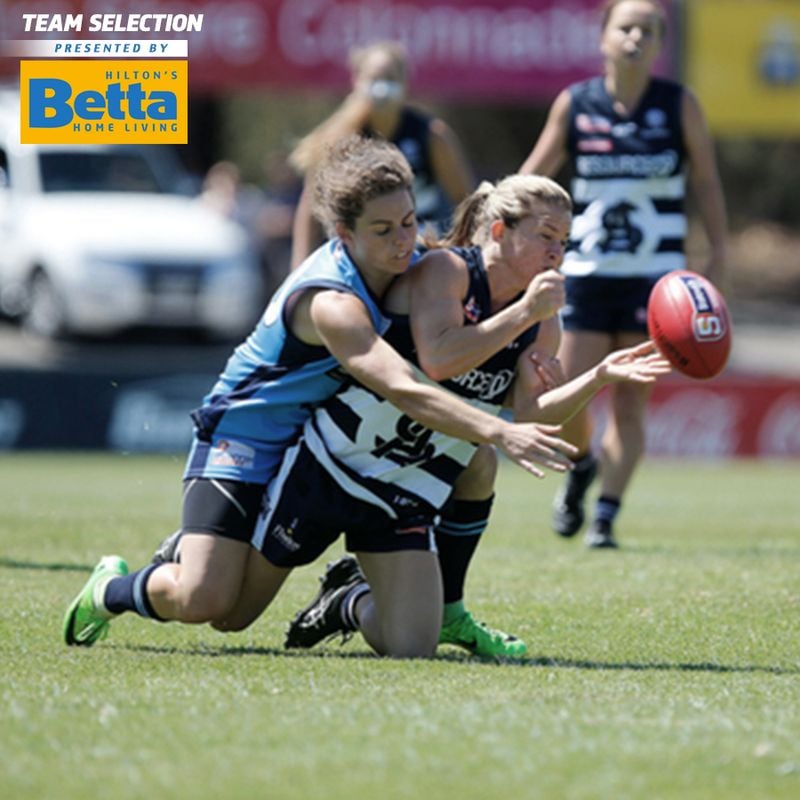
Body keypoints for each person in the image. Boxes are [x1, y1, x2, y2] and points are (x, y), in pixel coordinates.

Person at [63, 137, 576, 648]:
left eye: (408, 221)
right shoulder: (333, 301)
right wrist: (498, 430)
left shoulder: (411, 266)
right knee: (212, 604)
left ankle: (363, 598)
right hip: (247, 435)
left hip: (310, 437)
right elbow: (402, 385)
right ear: (343, 234)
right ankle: (111, 589)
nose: (403, 240)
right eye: (382, 230)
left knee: (467, 482)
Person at [200, 175, 669, 659]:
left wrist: (598, 377)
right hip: (333, 464)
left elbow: (529, 414)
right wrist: (524, 313)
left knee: (412, 647)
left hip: (408, 484)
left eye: (564, 241)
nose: (557, 252)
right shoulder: (448, 272)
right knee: (230, 617)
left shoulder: (543, 317)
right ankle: (184, 557)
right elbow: (440, 358)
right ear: (500, 231)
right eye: (545, 236)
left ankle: (347, 601)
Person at [519, 0, 728, 548]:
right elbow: (533, 175)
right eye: (626, 27)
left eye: (648, 30)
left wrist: (718, 250)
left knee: (632, 403)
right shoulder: (576, 103)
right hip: (586, 274)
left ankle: (606, 514)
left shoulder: (678, 105)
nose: (636, 37)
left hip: (657, 284)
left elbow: (705, 181)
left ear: (660, 43)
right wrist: (504, 221)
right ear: (604, 37)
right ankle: (582, 464)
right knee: (566, 391)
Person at [289, 40, 474, 266]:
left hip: (418, 254)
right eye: (375, 78)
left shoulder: (431, 135)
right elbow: (310, 209)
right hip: (358, 258)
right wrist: (298, 271)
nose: (383, 87)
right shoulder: (338, 138)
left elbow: (467, 202)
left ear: (405, 83)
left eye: (390, 78)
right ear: (356, 81)